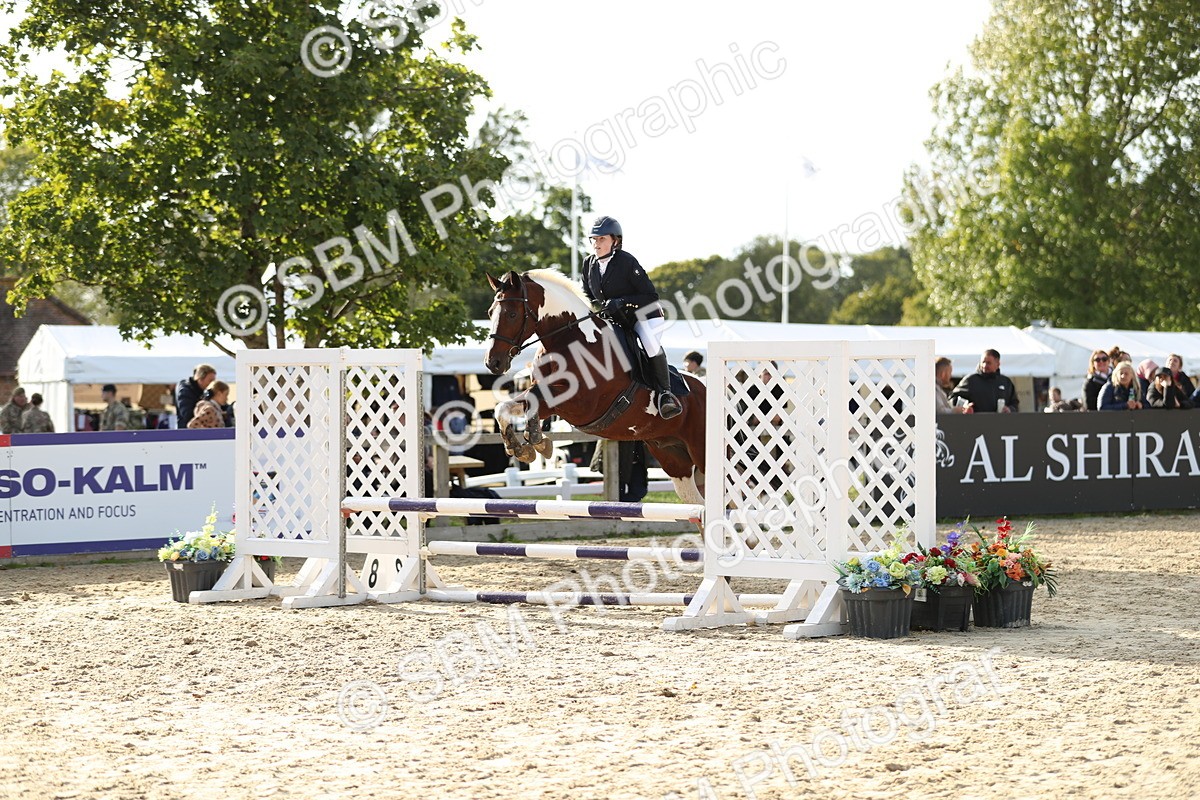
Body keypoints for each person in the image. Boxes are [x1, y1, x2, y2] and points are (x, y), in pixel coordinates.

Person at [581, 216, 681, 420]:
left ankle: (665, 394)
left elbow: (650, 296)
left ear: (615, 241)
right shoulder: (588, 264)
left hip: (644, 316)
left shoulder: (626, 261)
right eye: (594, 239)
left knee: (650, 344)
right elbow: (587, 297)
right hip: (617, 319)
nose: (596, 244)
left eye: (602, 239)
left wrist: (623, 301)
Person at [949, 349, 1018, 413]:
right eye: (983, 362)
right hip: (975, 423)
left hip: (1000, 423)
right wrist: (964, 407)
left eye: (988, 363)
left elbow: (1015, 403)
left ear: (998, 364)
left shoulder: (1006, 382)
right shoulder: (971, 380)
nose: (985, 365)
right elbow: (952, 398)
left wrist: (1009, 409)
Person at [176, 363, 217, 428]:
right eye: (210, 381)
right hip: (187, 432)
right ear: (200, 379)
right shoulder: (185, 391)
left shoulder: (204, 391)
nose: (212, 384)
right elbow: (188, 414)